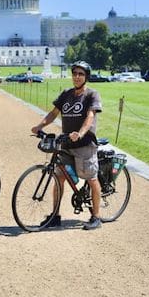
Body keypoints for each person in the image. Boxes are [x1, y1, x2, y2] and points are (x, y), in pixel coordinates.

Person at [30, 60, 103, 230]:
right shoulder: (66, 94)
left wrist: (81, 133)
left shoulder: (92, 94)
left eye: (81, 74)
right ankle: (55, 215)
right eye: (75, 74)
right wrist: (40, 126)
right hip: (67, 144)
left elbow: (90, 116)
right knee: (59, 177)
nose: (77, 77)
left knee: (92, 179)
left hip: (85, 144)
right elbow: (53, 113)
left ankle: (96, 217)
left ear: (86, 77)